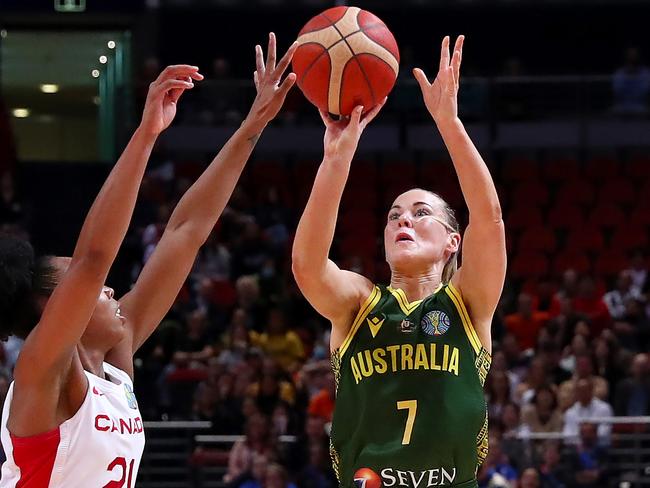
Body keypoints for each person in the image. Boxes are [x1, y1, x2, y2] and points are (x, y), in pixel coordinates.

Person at [0, 33, 297, 487]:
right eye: (90, 290)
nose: (110, 289)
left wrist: (252, 125)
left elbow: (185, 233)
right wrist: (146, 134)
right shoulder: (40, 370)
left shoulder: (114, 367)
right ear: (53, 308)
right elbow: (93, 259)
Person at [292, 36, 506, 488]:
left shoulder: (468, 303)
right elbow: (307, 265)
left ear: (453, 241)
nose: (403, 219)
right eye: (394, 216)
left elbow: (488, 219)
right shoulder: (359, 303)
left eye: (420, 212)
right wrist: (336, 158)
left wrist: (449, 123)